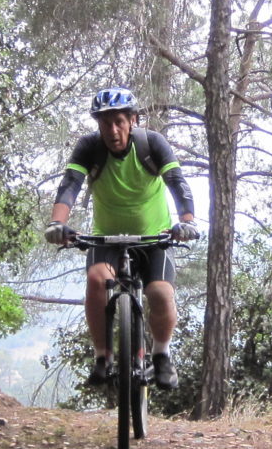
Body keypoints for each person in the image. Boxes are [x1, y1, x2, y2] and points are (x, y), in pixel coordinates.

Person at [44, 87, 200, 389]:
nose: (112, 130)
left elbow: (176, 181)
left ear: (132, 120)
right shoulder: (89, 147)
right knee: (96, 280)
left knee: (160, 293)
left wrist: (187, 221)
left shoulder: (152, 144)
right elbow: (70, 184)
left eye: (119, 122)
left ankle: (161, 355)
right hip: (107, 239)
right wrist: (57, 224)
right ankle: (103, 356)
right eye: (105, 123)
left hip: (154, 239)